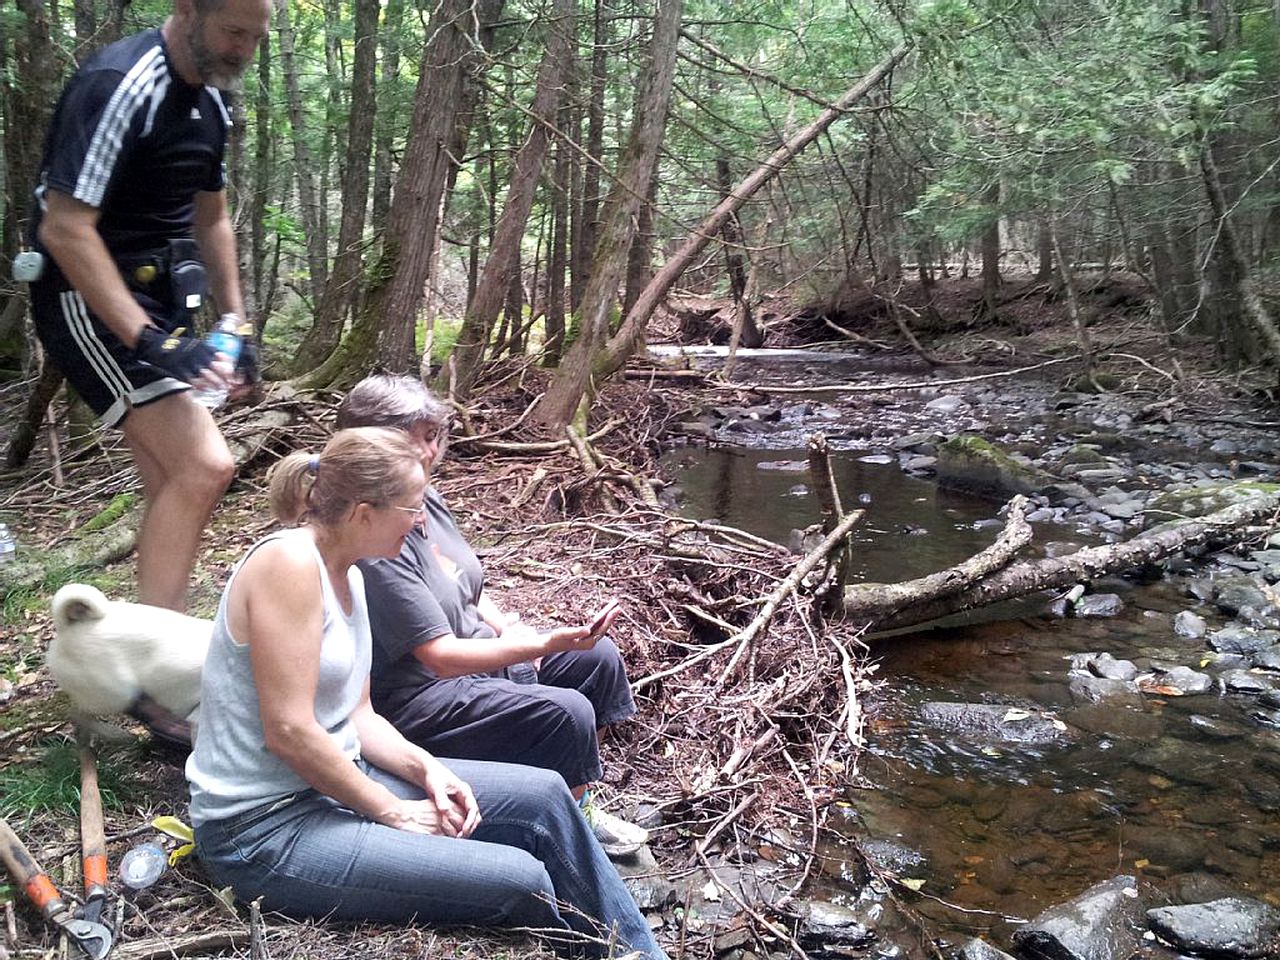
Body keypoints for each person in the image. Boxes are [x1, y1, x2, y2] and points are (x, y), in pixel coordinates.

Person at [186, 428, 665, 958]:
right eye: (411, 508)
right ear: (364, 513)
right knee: (522, 879)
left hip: (336, 782)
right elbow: (289, 731)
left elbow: (359, 715)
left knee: (547, 796)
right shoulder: (289, 565)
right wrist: (392, 810)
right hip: (263, 829)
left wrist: (427, 771)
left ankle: (640, 953)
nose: (420, 521)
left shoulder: (351, 576)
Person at [335, 375, 650, 856]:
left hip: (475, 657)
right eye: (419, 439)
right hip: (421, 695)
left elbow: (461, 581)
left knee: (598, 661)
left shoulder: (422, 496)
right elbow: (439, 657)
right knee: (568, 713)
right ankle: (562, 828)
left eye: (435, 436)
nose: (432, 451)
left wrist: (508, 626)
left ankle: (574, 797)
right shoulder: (376, 535)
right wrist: (537, 645)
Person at [27, 0, 269, 619]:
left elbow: (211, 218)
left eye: (255, 37)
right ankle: (161, 648)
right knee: (206, 464)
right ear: (188, 9)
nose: (244, 50)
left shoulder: (212, 98)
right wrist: (149, 340)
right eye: (233, 31)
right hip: (85, 297)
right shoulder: (119, 84)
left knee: (172, 474)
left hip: (159, 294)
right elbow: (64, 227)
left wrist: (236, 322)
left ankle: (154, 636)